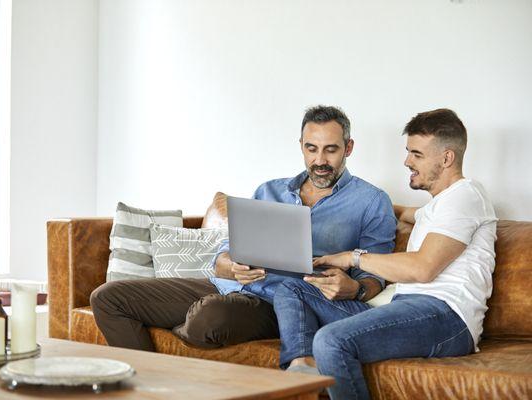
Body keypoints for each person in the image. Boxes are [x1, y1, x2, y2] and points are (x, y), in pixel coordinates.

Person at [90, 105, 397, 351]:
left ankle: (194, 320)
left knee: (208, 319)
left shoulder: (371, 201)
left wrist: (356, 288)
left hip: (284, 305)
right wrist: (230, 267)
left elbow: (377, 274)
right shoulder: (269, 190)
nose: (319, 160)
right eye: (311, 148)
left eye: (330, 150)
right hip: (229, 287)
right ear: (301, 146)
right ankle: (148, 388)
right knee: (108, 298)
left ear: (349, 147)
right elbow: (227, 253)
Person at [273, 108, 497, 400]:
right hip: (405, 307)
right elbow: (407, 213)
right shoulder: (440, 206)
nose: (407, 162)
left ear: (446, 158)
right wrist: (374, 207)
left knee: (331, 341)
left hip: (445, 317)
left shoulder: (466, 196)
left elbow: (422, 269)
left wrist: (353, 257)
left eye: (416, 154)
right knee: (293, 288)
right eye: (408, 152)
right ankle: (302, 368)